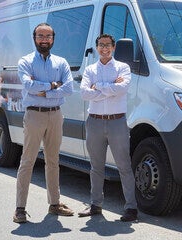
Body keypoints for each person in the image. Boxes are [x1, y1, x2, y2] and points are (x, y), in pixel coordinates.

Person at [13, 22, 74, 223]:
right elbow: (28, 86)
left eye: (48, 36)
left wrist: (43, 89)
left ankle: (54, 203)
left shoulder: (61, 62)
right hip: (34, 115)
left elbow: (69, 88)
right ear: (34, 38)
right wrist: (54, 85)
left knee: (53, 161)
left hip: (56, 115)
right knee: (28, 161)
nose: (44, 40)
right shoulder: (26, 61)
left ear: (53, 39)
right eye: (41, 36)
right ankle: (20, 209)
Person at [78, 34, 138, 222]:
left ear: (113, 48)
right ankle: (95, 205)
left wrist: (99, 87)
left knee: (124, 166)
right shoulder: (90, 69)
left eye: (108, 45)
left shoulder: (123, 68)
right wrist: (110, 88)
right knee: (96, 167)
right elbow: (84, 93)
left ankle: (131, 208)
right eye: (101, 45)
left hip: (117, 122)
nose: (104, 48)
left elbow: (122, 89)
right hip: (94, 121)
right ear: (96, 47)